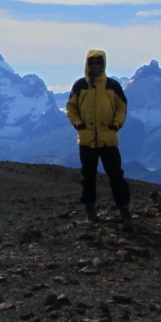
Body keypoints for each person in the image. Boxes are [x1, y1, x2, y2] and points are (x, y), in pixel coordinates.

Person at [65, 49, 134, 230]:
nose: (95, 65)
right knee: (88, 176)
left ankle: (124, 210)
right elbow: (71, 107)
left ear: (103, 64)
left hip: (108, 139)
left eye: (98, 62)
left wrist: (116, 124)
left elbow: (121, 107)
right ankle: (90, 210)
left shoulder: (113, 86)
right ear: (87, 64)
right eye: (92, 62)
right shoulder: (80, 85)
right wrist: (78, 124)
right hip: (87, 139)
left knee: (116, 175)